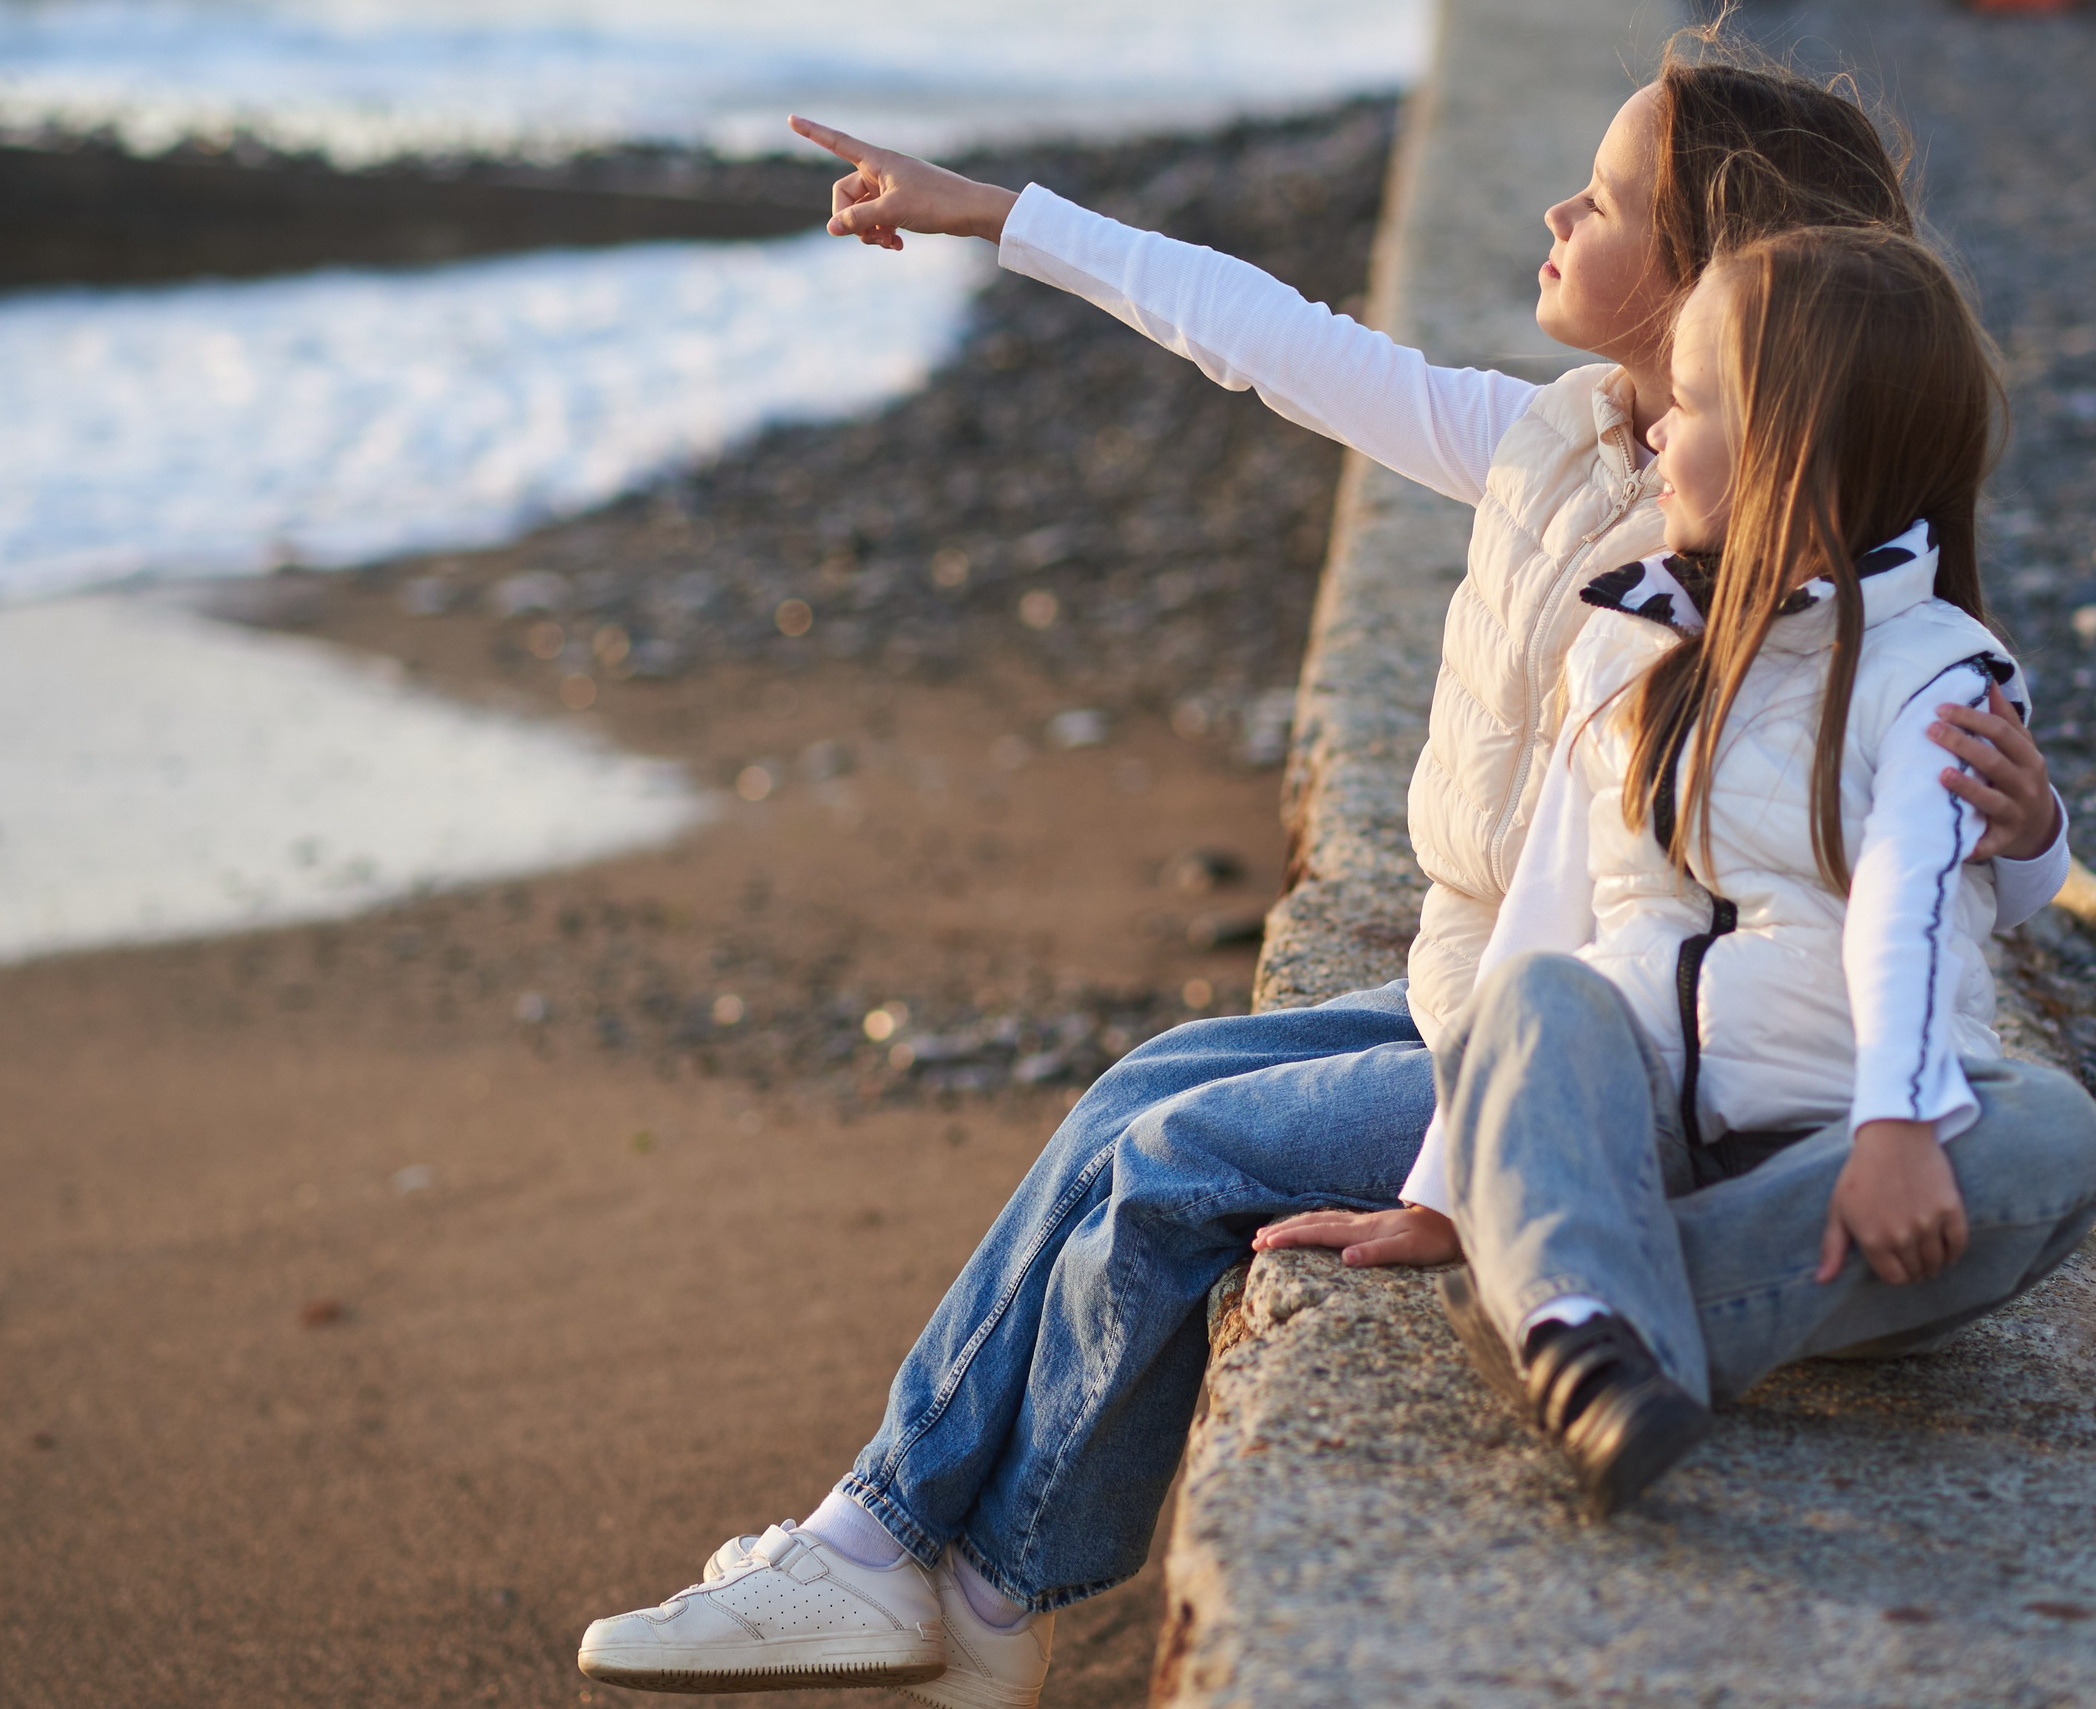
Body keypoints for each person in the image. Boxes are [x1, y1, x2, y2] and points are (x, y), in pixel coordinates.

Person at [577, 39, 2072, 1709]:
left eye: (1614, 199)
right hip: (1474, 982)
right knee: (1134, 1088)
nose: (1561, 209)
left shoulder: (1725, 572)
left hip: (1562, 1044)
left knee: (1177, 1156)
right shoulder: (1566, 446)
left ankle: (950, 1572)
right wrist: (1001, 215)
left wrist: (1459, 1176)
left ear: (1718, 286)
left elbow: (1880, 885)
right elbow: (1274, 342)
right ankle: (913, 1563)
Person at [1412, 224, 2096, 1518]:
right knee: (1537, 998)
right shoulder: (1631, 645)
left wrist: (1896, 1127)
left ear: (1798, 449)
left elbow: (1915, 896)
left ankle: (1571, 1314)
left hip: (1852, 1170)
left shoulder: (1941, 670)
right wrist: (1449, 1182)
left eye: (1695, 402)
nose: (1656, 430)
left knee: (2055, 1130)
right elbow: (1544, 914)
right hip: (1648, 1128)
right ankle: (1575, 1302)